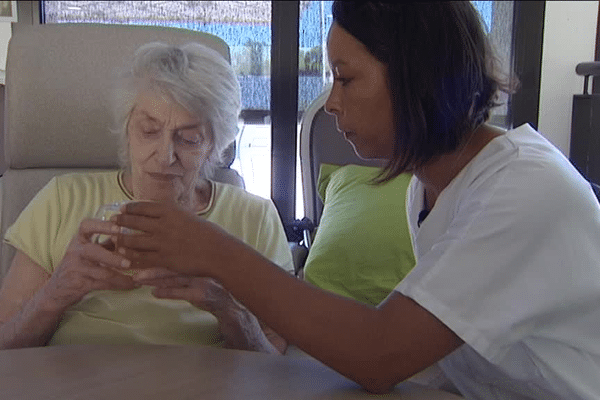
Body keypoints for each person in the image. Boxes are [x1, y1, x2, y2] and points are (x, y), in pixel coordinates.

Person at [111, 2, 600, 399]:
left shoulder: (524, 190)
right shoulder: (427, 190)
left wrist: (213, 252)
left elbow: (379, 353)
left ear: (418, 76)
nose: (332, 101)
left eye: (344, 77)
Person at [0, 42, 294, 353]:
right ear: (127, 131)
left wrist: (228, 309)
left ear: (214, 145)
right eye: (149, 131)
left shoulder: (254, 217)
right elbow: (5, 347)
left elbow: (276, 364)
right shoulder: (61, 200)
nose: (165, 156)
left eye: (189, 139)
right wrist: (56, 293)